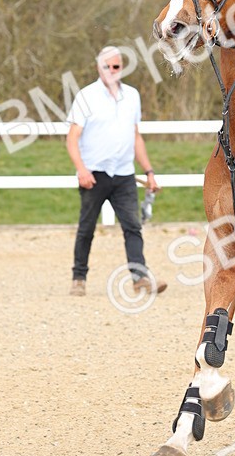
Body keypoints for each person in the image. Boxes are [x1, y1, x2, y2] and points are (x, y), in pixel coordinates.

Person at [66, 46, 167, 296]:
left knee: (133, 226)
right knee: (86, 227)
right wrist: (81, 170)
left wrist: (149, 171)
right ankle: (79, 277)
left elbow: (135, 137)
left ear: (122, 68)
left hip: (124, 174)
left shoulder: (132, 96)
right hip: (94, 174)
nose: (111, 71)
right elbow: (72, 138)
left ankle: (139, 277)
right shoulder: (86, 96)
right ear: (98, 68)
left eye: (116, 66)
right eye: (106, 66)